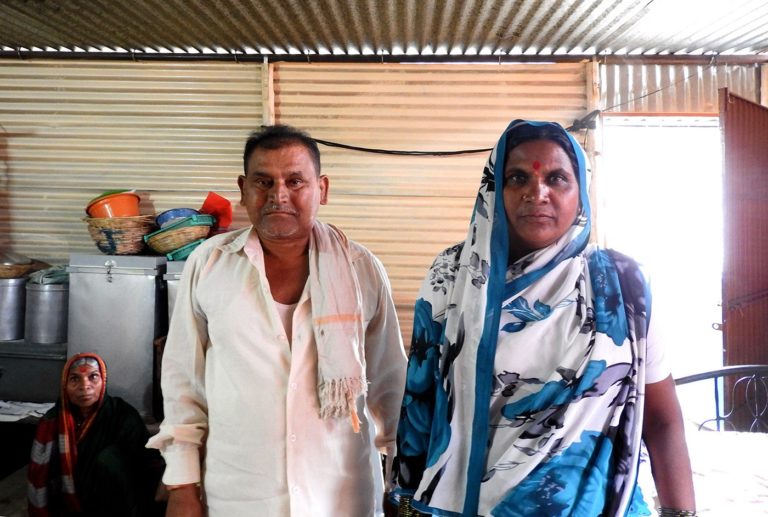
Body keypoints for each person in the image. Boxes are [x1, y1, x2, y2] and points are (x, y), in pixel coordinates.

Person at [392, 119, 696, 516]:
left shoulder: (622, 285)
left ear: (581, 191)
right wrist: (402, 498)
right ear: (494, 190)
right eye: (517, 178)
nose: (537, 193)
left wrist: (682, 513)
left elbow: (662, 419)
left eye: (557, 178)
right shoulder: (453, 275)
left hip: (595, 507)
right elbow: (421, 401)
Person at [147, 124, 407, 517]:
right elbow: (184, 379)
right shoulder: (210, 263)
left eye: (295, 181)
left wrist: (401, 479)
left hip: (341, 491)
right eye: (263, 182)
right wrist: (182, 484)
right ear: (243, 188)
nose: (278, 196)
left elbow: (390, 382)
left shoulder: (361, 270)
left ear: (322, 189)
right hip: (241, 491)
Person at [27, 352, 163, 517]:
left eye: (93, 377)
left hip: (118, 507)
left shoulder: (123, 416)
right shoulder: (51, 422)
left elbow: (143, 469)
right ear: (65, 385)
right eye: (75, 379)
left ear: (103, 381)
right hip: (66, 506)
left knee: (109, 458)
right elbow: (40, 474)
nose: (85, 386)